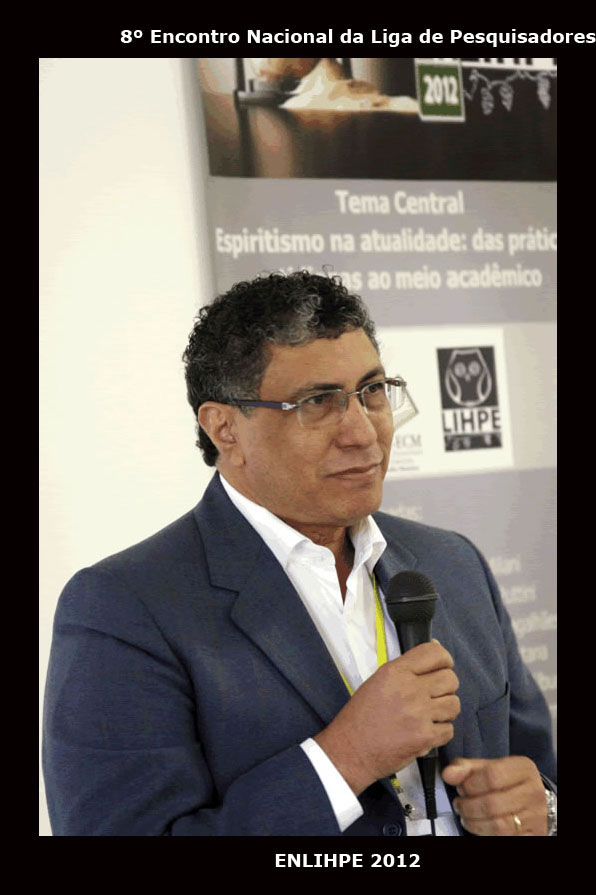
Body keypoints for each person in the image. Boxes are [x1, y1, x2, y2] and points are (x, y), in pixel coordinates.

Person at [43, 271, 556, 837]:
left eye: (373, 391)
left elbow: (539, 775)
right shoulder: (125, 607)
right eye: (318, 402)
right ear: (224, 428)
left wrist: (544, 810)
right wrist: (347, 757)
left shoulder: (453, 563)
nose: (363, 433)